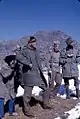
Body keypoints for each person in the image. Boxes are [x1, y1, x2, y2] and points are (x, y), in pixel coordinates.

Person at [16, 36, 52, 118]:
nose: (35, 43)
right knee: (27, 95)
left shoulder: (36, 51)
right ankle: (27, 111)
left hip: (38, 75)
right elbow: (18, 56)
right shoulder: (25, 50)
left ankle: (45, 104)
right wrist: (27, 63)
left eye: (35, 42)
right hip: (29, 76)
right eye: (33, 42)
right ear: (30, 43)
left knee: (46, 89)